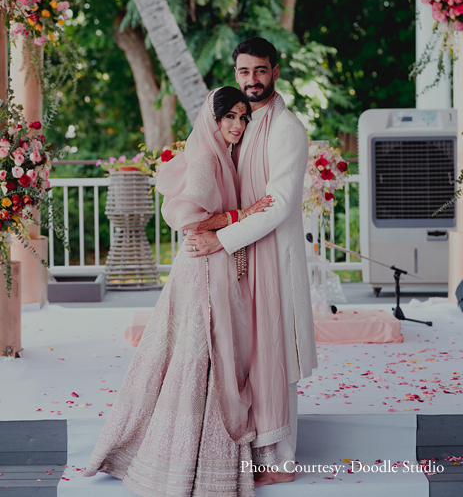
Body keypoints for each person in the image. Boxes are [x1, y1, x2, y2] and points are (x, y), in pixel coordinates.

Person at [82, 86, 286, 497]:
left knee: (212, 351)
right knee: (208, 351)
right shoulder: (206, 157)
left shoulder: (222, 155)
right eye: (230, 116)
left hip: (214, 263)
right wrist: (242, 214)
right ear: (213, 118)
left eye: (243, 117)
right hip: (204, 268)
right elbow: (188, 219)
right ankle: (187, 459)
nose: (237, 125)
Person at [186, 38, 318, 487]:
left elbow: (278, 204)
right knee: (248, 353)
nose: (252, 80)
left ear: (275, 72)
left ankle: (280, 459)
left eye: (260, 70)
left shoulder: (286, 129)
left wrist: (220, 239)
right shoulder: (237, 123)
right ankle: (251, 449)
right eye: (244, 71)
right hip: (241, 255)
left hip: (271, 256)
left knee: (275, 352)